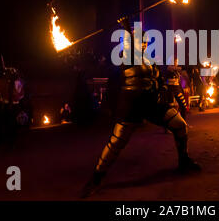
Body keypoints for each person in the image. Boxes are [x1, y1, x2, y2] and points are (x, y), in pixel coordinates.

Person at [81, 17, 200, 198]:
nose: (143, 44)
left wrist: (162, 87)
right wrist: (127, 27)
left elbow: (158, 78)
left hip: (151, 102)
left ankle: (184, 161)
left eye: (145, 41)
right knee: (116, 143)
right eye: (140, 41)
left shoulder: (147, 59)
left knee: (180, 125)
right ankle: (96, 178)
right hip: (131, 104)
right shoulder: (125, 56)